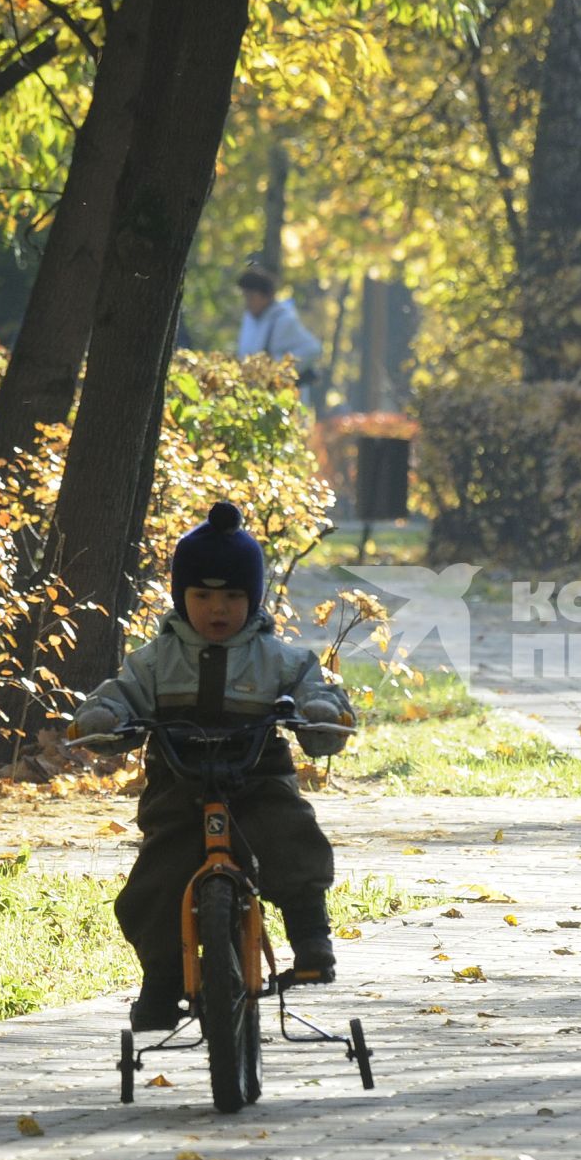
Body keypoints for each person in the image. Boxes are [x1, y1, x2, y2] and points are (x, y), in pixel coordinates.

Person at [68, 503, 356, 1030]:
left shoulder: (277, 658)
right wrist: (103, 718)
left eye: (231, 596)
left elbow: (314, 690)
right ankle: (162, 981)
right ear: (182, 596)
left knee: (291, 834)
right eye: (202, 595)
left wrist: (320, 714)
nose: (216, 608)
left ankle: (311, 936)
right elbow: (122, 695)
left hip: (255, 777)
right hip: (179, 783)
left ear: (253, 599)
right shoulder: (155, 659)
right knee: (154, 885)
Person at [236, 264, 321, 404]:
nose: (247, 302)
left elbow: (313, 349)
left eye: (251, 297)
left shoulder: (283, 320)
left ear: (265, 296)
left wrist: (277, 368)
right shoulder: (250, 319)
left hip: (284, 400)